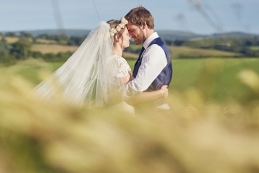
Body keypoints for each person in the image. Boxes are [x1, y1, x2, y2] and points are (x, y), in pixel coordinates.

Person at [34, 16, 168, 109]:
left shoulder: (107, 62)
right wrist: (161, 93)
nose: (130, 38)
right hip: (123, 113)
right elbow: (132, 97)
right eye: (127, 34)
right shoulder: (118, 63)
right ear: (117, 37)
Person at [120, 6, 172, 109]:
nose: (130, 35)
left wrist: (115, 95)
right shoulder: (150, 47)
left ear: (143, 25)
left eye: (132, 30)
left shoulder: (155, 50)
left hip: (155, 113)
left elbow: (139, 85)